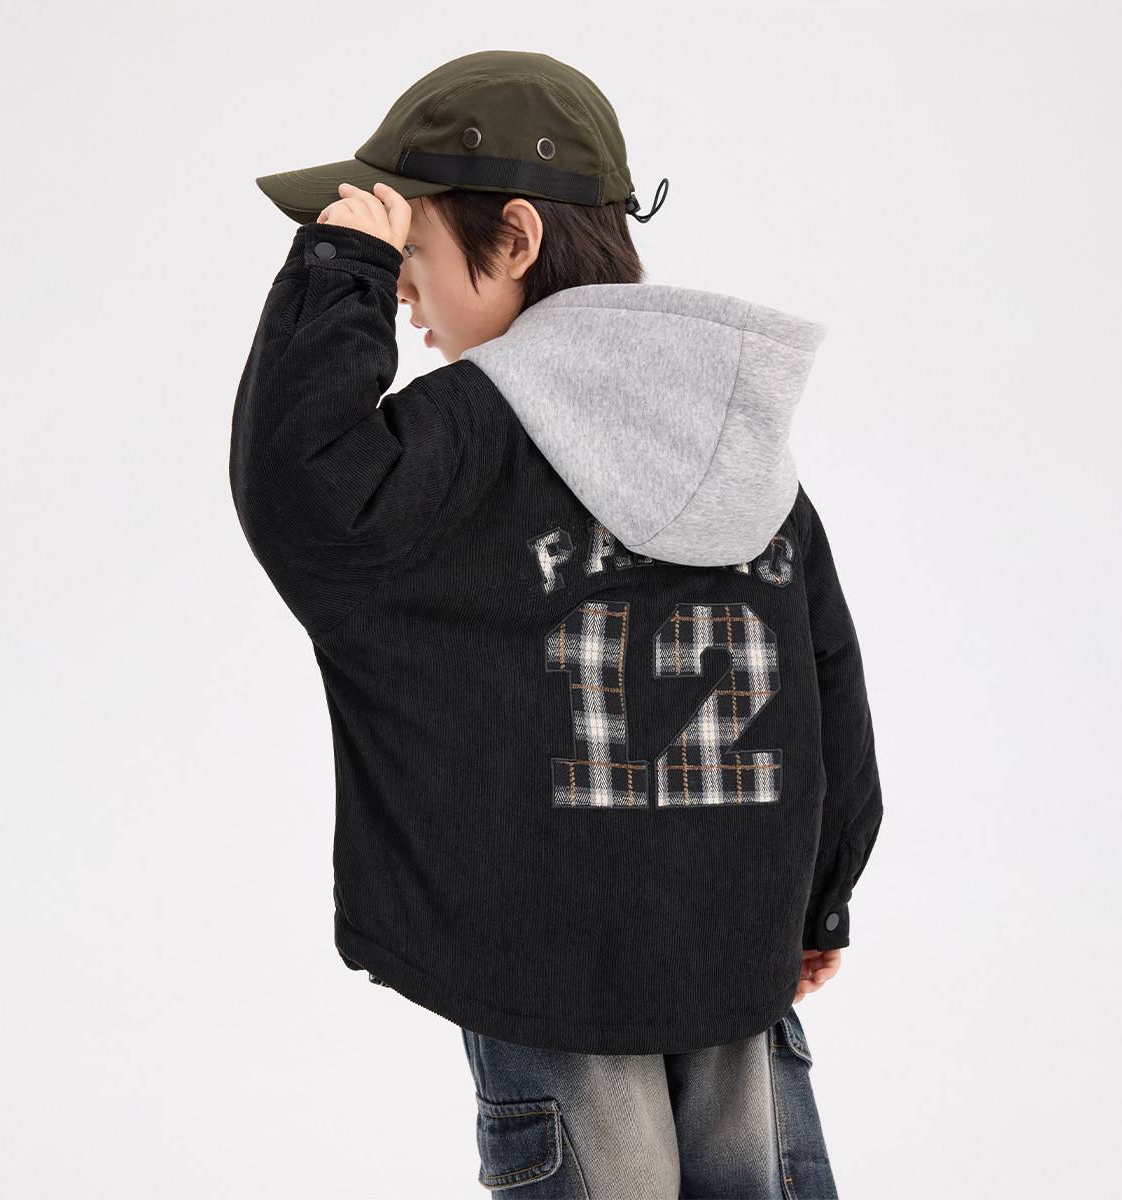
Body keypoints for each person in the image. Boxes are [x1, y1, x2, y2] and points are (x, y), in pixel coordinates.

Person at [232, 49, 882, 1199]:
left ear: (517, 239)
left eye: (413, 256)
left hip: (552, 971)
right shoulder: (736, 432)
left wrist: (339, 269)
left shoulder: (472, 436)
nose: (406, 299)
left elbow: (307, 497)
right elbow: (823, 664)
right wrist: (823, 890)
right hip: (737, 951)